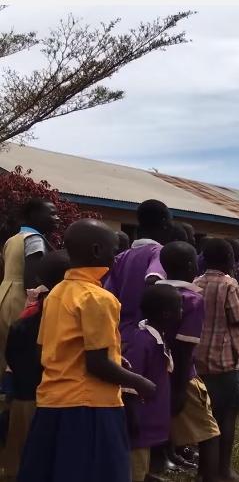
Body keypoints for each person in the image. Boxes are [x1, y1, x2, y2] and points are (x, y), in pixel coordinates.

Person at [19, 219, 156, 482]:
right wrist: (139, 382)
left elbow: (46, 350)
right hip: (90, 406)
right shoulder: (98, 298)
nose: (116, 257)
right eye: (113, 250)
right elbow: (97, 365)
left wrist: (116, 360)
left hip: (53, 401)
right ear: (96, 251)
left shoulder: (58, 292)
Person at [195, 238, 239, 482]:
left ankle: (204, 469)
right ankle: (223, 471)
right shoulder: (229, 284)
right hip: (225, 360)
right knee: (227, 416)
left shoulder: (196, 282)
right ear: (229, 260)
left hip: (200, 359)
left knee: (206, 417)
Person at [156, 241, 221, 482]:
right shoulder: (192, 300)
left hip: (156, 371)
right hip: (184, 374)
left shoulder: (153, 292)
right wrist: (182, 388)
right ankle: (210, 476)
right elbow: (184, 348)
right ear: (189, 265)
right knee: (209, 432)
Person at [2, 250, 68, 478]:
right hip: (58, 399)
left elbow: (11, 357)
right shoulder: (70, 318)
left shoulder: (23, 323)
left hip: (24, 396)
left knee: (18, 454)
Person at [123, 285, 182, 482]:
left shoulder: (158, 338)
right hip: (141, 418)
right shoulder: (142, 341)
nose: (181, 312)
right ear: (166, 314)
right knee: (135, 465)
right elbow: (130, 381)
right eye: (179, 308)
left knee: (142, 461)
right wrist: (133, 415)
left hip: (151, 417)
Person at [0, 198, 58, 375]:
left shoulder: (13, 238)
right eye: (52, 213)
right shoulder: (35, 240)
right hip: (22, 301)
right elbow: (33, 282)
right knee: (21, 355)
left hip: (5, 295)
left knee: (5, 352)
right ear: (33, 215)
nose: (57, 218)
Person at [104, 199, 173, 341]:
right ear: (165, 223)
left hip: (118, 332)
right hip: (145, 332)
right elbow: (154, 279)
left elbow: (109, 292)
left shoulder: (122, 256)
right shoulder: (158, 252)